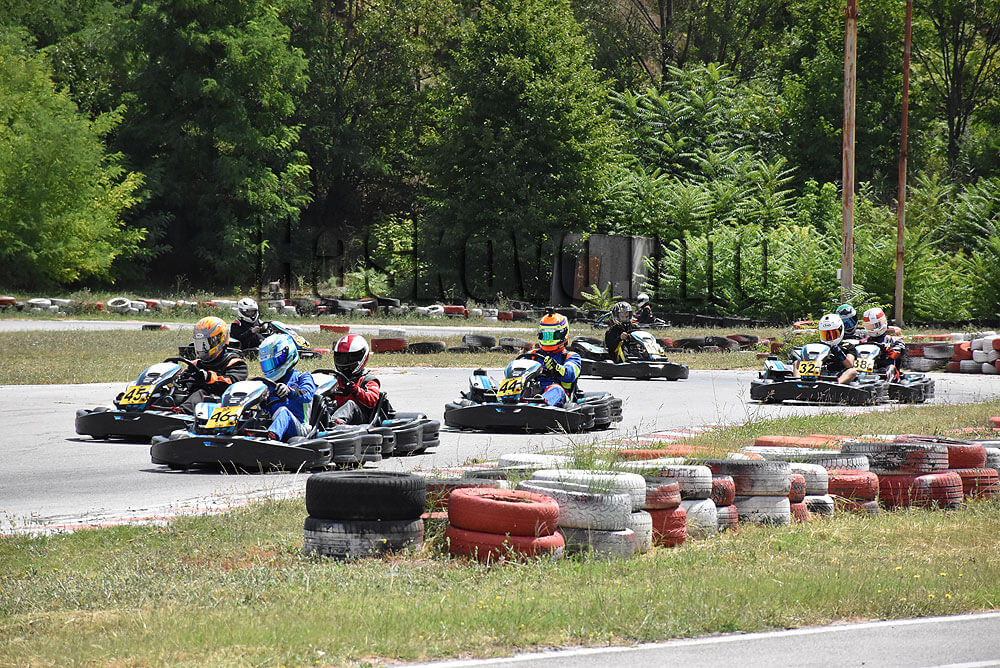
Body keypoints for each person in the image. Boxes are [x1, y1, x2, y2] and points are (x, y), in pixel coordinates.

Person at [180, 316, 248, 412]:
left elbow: (232, 383)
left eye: (206, 344)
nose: (203, 348)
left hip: (219, 404)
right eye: (200, 344)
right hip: (193, 400)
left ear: (220, 340)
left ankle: (181, 413)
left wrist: (208, 377)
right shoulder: (197, 364)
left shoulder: (235, 363)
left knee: (201, 393)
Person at [259, 333, 316, 441]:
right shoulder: (268, 384)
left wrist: (289, 391)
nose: (270, 367)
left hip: (301, 429)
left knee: (283, 411)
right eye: (267, 364)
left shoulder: (302, 377)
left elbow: (307, 395)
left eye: (273, 362)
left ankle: (270, 438)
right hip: (274, 424)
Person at [327, 334, 382, 425]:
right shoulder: (336, 379)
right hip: (337, 412)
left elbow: (372, 400)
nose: (345, 362)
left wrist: (356, 391)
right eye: (341, 358)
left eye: (350, 358)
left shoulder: (368, 380)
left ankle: (335, 424)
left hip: (361, 417)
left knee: (350, 404)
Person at [533, 311, 582, 407]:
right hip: (533, 391)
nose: (548, 340)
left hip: (560, 395)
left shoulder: (571, 356)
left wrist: (556, 368)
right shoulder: (533, 355)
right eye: (545, 335)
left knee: (555, 389)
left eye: (552, 335)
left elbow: (570, 374)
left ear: (563, 334)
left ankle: (541, 404)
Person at [793, 313, 857, 385]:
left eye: (833, 334)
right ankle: (797, 381)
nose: (829, 338)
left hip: (838, 374)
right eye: (825, 334)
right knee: (797, 362)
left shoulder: (848, 346)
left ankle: (835, 385)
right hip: (819, 371)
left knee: (852, 371)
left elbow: (850, 365)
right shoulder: (818, 346)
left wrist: (839, 353)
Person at [860, 307, 906, 382]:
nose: (872, 328)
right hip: (868, 371)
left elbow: (896, 354)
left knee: (890, 367)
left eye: (875, 325)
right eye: (869, 326)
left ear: (882, 322)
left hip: (887, 372)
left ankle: (888, 383)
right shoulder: (863, 342)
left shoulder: (895, 340)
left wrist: (886, 349)